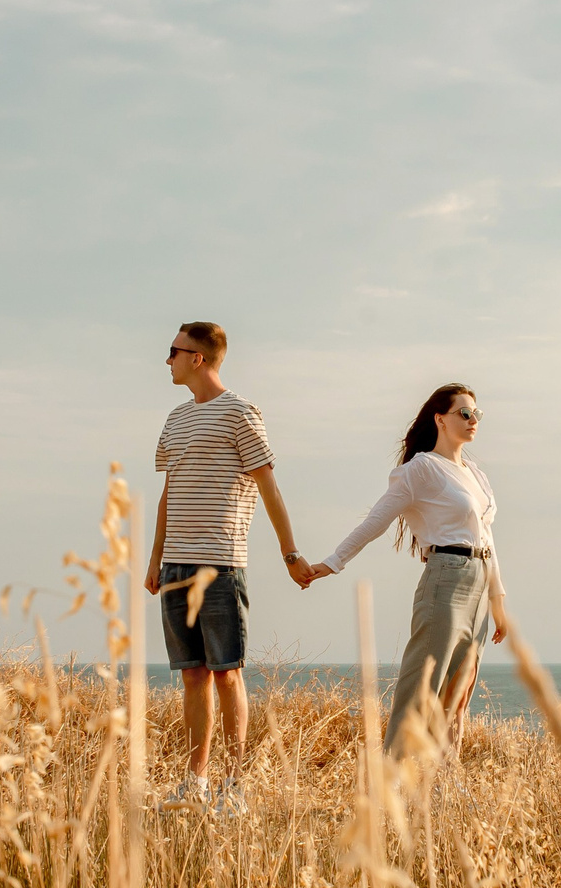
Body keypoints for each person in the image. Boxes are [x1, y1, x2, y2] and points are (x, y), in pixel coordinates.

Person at [146, 321, 315, 808]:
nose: (167, 360)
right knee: (191, 675)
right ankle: (195, 783)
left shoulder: (241, 413)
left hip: (219, 563)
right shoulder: (174, 420)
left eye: (174, 351)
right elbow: (168, 495)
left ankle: (234, 786)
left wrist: (289, 552)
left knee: (226, 673)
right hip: (175, 565)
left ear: (198, 357)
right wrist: (156, 558)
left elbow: (269, 487)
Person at [307, 383, 508, 759]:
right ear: (440, 419)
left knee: (459, 690)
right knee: (422, 683)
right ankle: (394, 774)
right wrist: (333, 562)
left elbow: (488, 536)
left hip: (481, 581)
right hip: (447, 576)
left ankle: (445, 776)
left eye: (477, 414)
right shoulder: (421, 469)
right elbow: (376, 521)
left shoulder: (476, 474)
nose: (473, 421)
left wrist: (499, 599)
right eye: (464, 413)